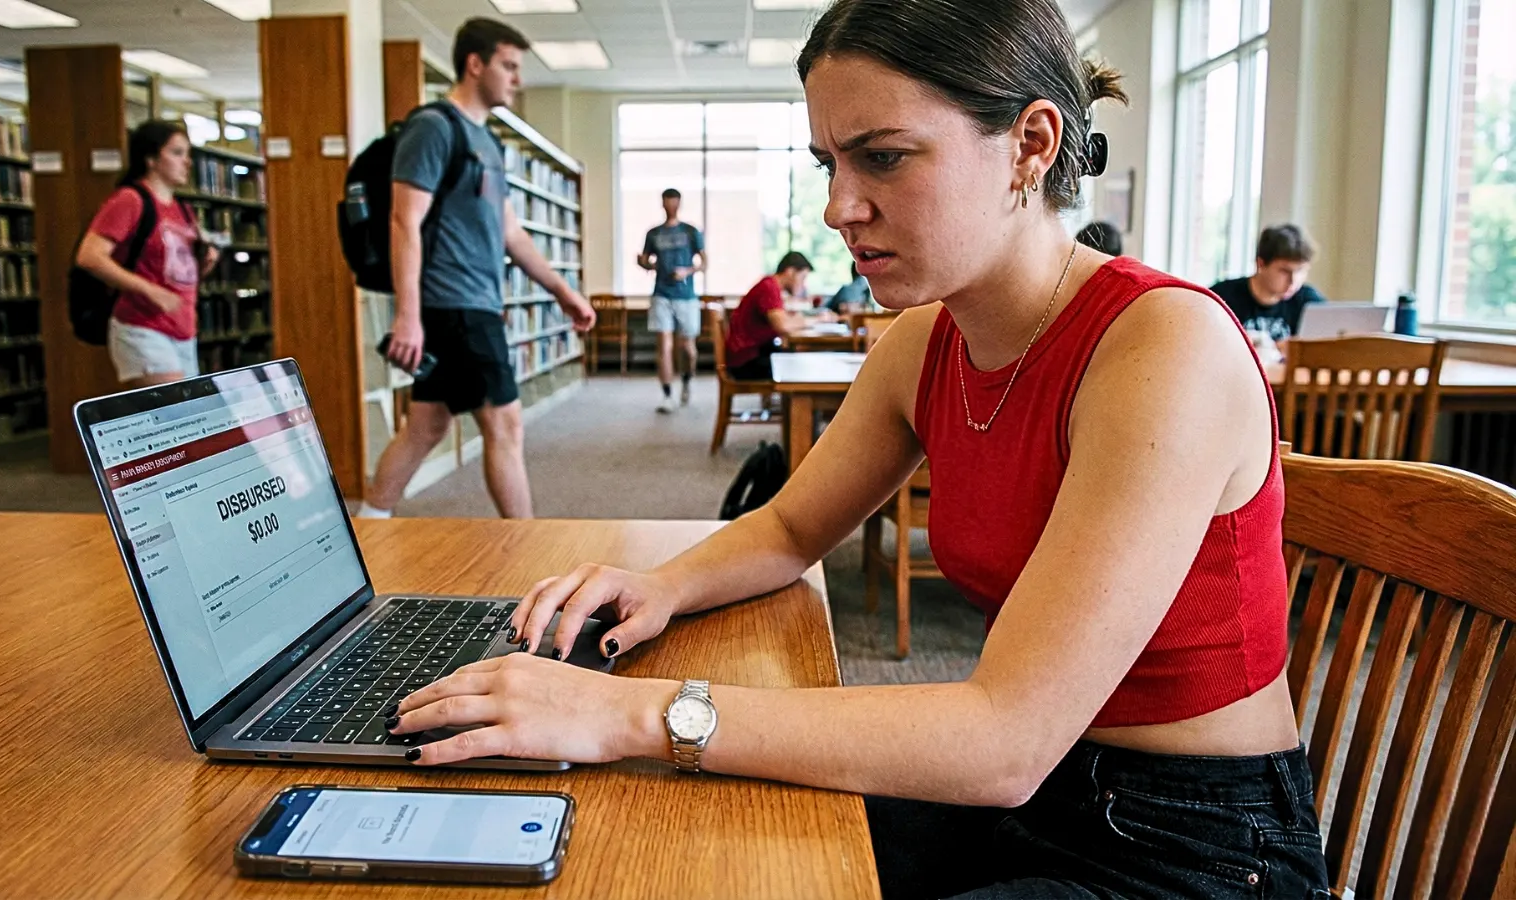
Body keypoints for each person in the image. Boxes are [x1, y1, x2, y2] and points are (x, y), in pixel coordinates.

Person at [383, 1, 1328, 898]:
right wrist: (662, 585)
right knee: (676, 845)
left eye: (882, 158)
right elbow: (792, 524)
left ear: (1030, 147)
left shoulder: (1165, 347)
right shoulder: (925, 338)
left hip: (1191, 847)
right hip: (1040, 789)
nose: (839, 208)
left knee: (658, 773)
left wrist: (627, 711)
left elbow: (1005, 738)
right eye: (829, 162)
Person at [360, 18, 595, 520]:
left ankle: (369, 521)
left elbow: (509, 231)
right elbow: (404, 220)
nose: (518, 78)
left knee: (427, 425)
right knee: (506, 425)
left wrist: (560, 288)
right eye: (508, 66)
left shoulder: (486, 142)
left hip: (472, 302)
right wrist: (408, 316)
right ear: (474, 64)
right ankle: (529, 549)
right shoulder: (433, 128)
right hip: (455, 305)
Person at [76, 120, 219, 388]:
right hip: (143, 326)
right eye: (177, 153)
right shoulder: (130, 200)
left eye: (187, 154)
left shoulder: (182, 209)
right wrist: (150, 290)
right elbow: (89, 256)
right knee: (173, 414)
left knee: (187, 417)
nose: (187, 162)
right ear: (151, 158)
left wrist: (205, 260)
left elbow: (179, 274)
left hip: (183, 328)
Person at [637, 188, 706, 413]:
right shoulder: (653, 233)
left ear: (679, 203)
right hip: (661, 294)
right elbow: (646, 260)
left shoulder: (690, 231)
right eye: (667, 202)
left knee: (687, 347)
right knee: (664, 345)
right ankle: (667, 394)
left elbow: (704, 262)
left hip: (686, 296)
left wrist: (686, 271)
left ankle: (686, 379)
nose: (671, 206)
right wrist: (645, 263)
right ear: (663, 204)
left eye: (674, 202)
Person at [1211, 224, 1326, 342]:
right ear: (1261, 264)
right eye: (1284, 271)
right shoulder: (1222, 298)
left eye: (1300, 270)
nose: (1293, 280)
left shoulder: (1310, 303)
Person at [724, 252, 822, 382]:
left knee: (799, 358)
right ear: (790, 272)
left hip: (751, 354)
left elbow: (784, 321)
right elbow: (783, 326)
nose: (803, 285)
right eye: (802, 278)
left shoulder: (770, 285)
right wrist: (817, 319)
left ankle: (794, 401)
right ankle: (800, 401)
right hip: (746, 361)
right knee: (803, 366)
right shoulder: (769, 288)